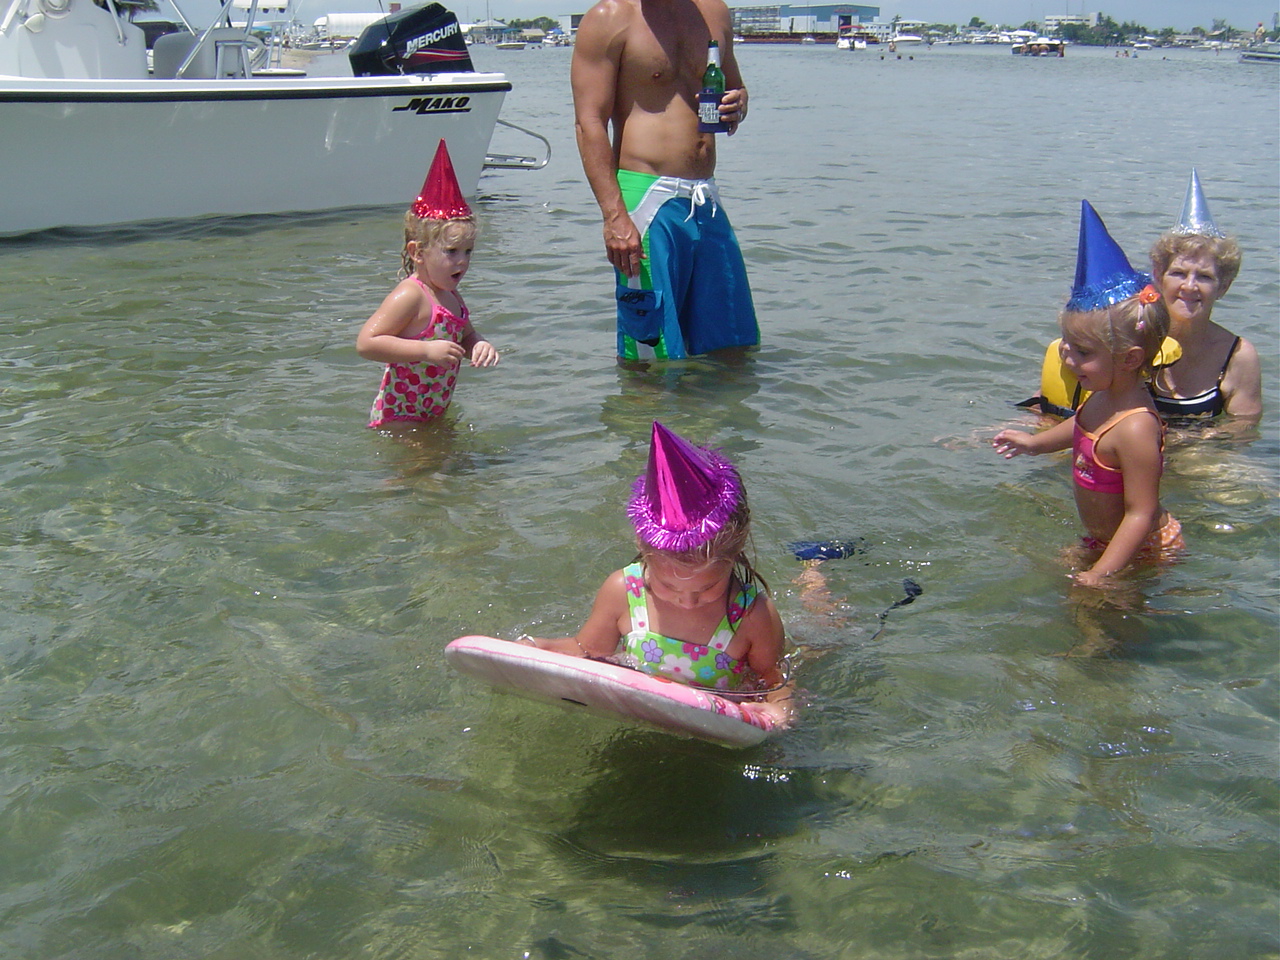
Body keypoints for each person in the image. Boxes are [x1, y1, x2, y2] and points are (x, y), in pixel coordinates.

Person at [526, 421, 793, 726]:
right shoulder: (623, 592)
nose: (688, 601)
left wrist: (779, 710)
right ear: (642, 546)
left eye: (707, 588)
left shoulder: (752, 615)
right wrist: (537, 647)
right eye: (668, 585)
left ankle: (814, 575)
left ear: (736, 549)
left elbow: (773, 681)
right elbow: (586, 650)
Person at [994, 201, 1183, 588]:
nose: (1067, 356)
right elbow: (1080, 428)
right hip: (1105, 539)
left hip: (1143, 547)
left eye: (1082, 351)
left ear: (1129, 359)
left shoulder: (1135, 428)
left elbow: (1141, 514)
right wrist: (1035, 444)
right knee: (1062, 593)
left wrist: (1101, 573)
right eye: (1067, 344)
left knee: (1106, 612)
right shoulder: (1102, 396)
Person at [570, 0, 759, 362]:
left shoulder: (715, 12)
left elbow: (735, 85)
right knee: (651, 355)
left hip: (704, 198)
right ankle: (643, 403)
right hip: (645, 199)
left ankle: (712, 403)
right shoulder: (610, 18)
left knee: (731, 348)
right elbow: (588, 122)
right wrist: (614, 216)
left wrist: (739, 103)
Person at [357, 140, 498, 428]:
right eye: (451, 251)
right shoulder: (411, 295)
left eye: (468, 251)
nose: (462, 261)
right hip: (399, 415)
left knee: (445, 456)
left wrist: (478, 344)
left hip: (432, 410)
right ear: (417, 252)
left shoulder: (451, 295)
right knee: (426, 461)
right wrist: (426, 351)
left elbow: (466, 335)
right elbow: (367, 343)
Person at [1147, 169, 1262, 421]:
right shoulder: (1134, 336)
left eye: (1204, 277)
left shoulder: (1238, 355)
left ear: (1223, 287)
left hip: (1202, 446)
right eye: (1179, 273)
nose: (1190, 286)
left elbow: (1242, 430)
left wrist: (1190, 441)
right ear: (1158, 277)